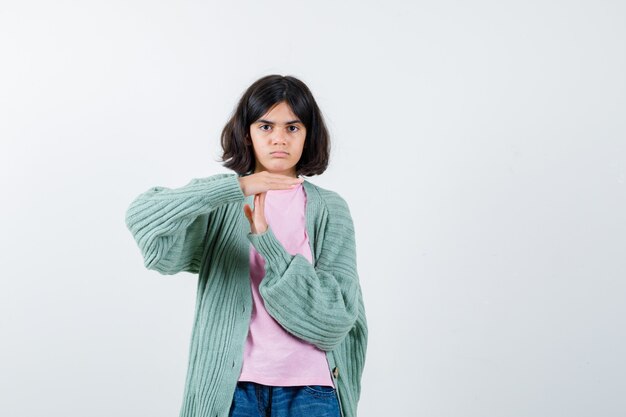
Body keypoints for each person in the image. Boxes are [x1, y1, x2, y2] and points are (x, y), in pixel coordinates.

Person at [124, 74, 368, 417]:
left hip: (311, 392)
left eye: (292, 128)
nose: (279, 139)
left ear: (309, 134)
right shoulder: (223, 206)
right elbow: (144, 219)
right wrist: (234, 187)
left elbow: (335, 319)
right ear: (246, 133)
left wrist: (266, 242)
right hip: (232, 391)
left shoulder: (330, 209)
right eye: (265, 127)